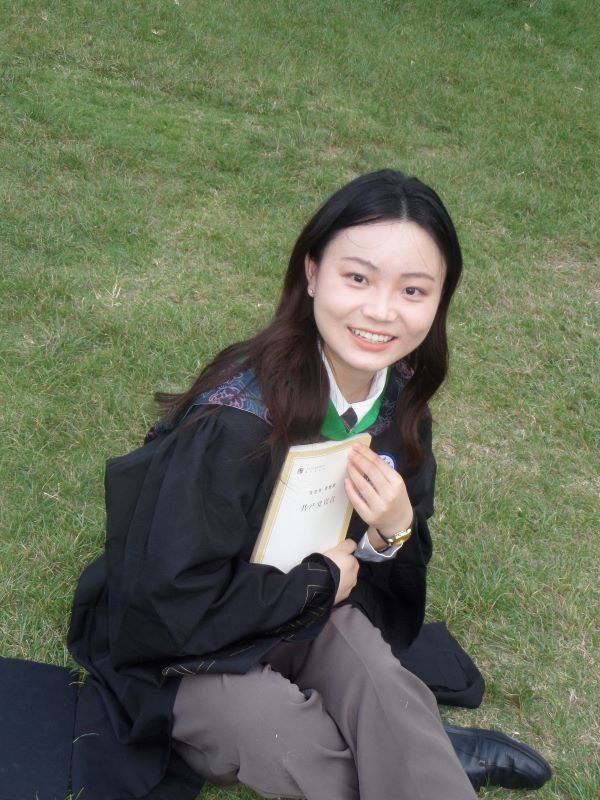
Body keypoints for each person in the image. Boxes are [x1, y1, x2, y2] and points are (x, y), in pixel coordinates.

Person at [68, 169, 550, 800]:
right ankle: (425, 749)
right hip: (185, 652)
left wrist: (390, 531)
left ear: (439, 302)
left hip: (307, 613)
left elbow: (374, 576)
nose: (382, 311)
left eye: (413, 290)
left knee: (380, 680)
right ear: (313, 273)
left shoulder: (399, 403)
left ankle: (413, 744)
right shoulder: (234, 423)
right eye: (359, 278)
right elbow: (164, 602)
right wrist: (316, 583)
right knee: (284, 738)